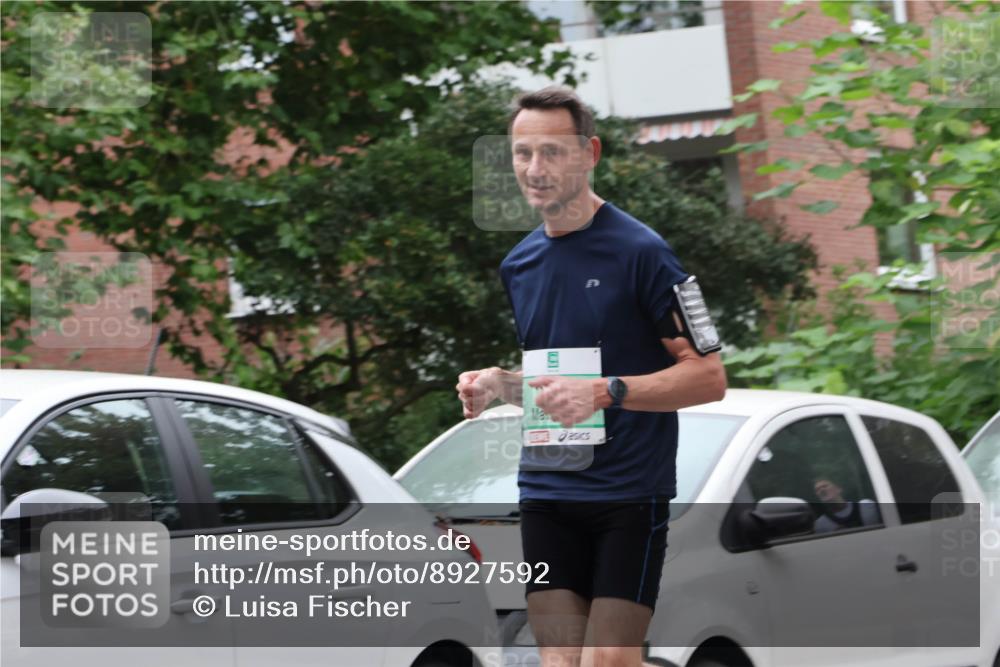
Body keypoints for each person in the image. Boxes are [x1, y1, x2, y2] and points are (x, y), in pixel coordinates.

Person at [456, 86, 726, 667]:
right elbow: (552, 375)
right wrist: (497, 384)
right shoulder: (519, 264)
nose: (535, 168)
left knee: (607, 662)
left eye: (553, 152)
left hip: (628, 495)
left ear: (590, 153)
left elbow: (708, 378)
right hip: (548, 492)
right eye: (523, 153)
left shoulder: (645, 252)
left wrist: (609, 392)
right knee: (558, 661)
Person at [812, 476, 881, 533]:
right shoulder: (821, 524)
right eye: (817, 490)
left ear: (838, 489)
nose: (821, 490)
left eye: (825, 486)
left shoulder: (866, 506)